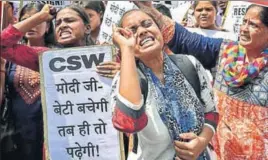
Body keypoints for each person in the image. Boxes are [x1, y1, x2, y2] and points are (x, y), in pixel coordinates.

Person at [134, 2, 268, 159]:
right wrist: (149, 9)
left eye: (253, 25)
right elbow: (186, 41)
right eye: (244, 21)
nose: (244, 29)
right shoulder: (225, 51)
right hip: (215, 152)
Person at [111, 8, 218, 160]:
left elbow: (211, 112)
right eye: (132, 30)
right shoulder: (124, 81)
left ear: (160, 31)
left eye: (147, 24)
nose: (142, 31)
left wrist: (201, 142)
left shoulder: (189, 64)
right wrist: (127, 49)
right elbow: (129, 123)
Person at [0, 2, 55, 160]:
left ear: (48, 26)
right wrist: (39, 17)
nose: (32, 25)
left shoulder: (57, 57)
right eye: (26, 20)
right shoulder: (9, 58)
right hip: (16, 137)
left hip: (49, 136)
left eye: (38, 22)